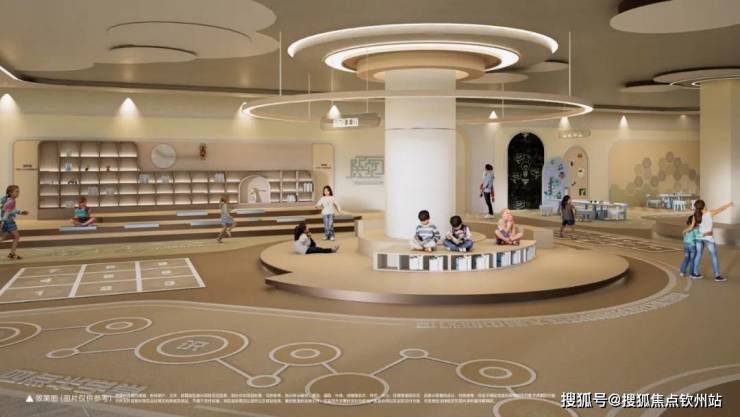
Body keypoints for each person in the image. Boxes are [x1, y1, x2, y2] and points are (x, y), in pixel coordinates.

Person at [690, 200, 734, 281]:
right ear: (704, 206)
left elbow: (693, 227)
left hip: (699, 237)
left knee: (698, 255)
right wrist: (729, 204)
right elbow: (721, 209)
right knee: (714, 256)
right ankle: (717, 276)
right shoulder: (710, 213)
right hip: (708, 238)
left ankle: (695, 273)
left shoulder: (695, 215)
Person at [1, 185, 29, 260]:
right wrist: (2, 222)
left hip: (6, 221)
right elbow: (7, 212)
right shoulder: (11, 201)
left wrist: (20, 212)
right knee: (17, 236)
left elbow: (10, 210)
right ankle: (12, 254)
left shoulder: (6, 199)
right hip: (9, 222)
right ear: (10, 192)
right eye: (16, 191)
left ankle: (12, 254)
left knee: (5, 237)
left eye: (18, 191)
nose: (18, 193)